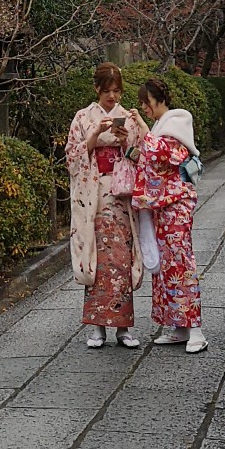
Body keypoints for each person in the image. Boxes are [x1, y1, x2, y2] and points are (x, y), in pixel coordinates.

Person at [65, 63, 149, 349]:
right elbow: (72, 158)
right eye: (107, 91)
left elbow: (143, 158)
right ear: (96, 90)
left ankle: (123, 327)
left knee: (121, 258)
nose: (112, 97)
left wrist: (127, 144)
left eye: (117, 91)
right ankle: (98, 327)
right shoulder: (83, 117)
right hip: (96, 195)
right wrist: (93, 137)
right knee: (98, 258)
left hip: (121, 195)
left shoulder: (129, 117)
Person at [133, 77, 206, 352]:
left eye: (145, 101)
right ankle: (177, 326)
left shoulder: (177, 121)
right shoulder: (159, 127)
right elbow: (148, 155)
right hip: (161, 205)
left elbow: (166, 154)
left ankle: (196, 328)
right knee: (164, 266)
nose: (144, 106)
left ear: (157, 99)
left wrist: (142, 128)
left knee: (181, 262)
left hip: (176, 203)